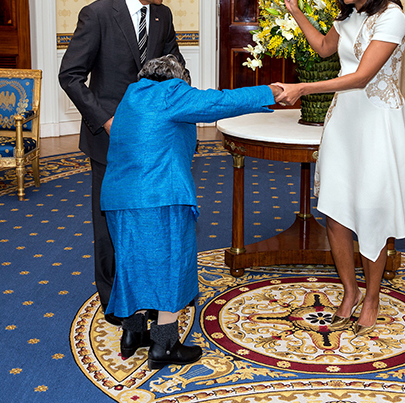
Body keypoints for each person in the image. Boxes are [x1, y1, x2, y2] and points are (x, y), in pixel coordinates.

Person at [274, 0, 405, 336]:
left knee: (372, 209)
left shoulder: (393, 17)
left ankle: (372, 296)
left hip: (376, 124)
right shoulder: (349, 17)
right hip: (343, 122)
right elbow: (324, 47)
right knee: (335, 211)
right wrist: (295, 12)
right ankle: (350, 291)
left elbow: (361, 76)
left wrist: (303, 87)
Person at [101, 55, 279, 369]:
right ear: (178, 79)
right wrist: (271, 93)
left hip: (119, 198)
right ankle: (165, 345)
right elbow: (219, 102)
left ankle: (133, 334)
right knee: (171, 265)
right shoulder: (171, 92)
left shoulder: (131, 96)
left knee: (133, 265)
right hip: (160, 196)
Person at [58, 0, 184, 327]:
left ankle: (145, 291)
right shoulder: (97, 14)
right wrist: (107, 121)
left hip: (152, 139)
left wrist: (177, 101)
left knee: (145, 217)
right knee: (110, 219)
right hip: (109, 140)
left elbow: (175, 63)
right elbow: (70, 75)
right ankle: (114, 300)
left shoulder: (162, 16)